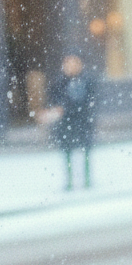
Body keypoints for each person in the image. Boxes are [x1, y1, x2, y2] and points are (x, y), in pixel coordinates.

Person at [42, 55, 97, 190]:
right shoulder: (58, 82)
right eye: (68, 64)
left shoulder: (86, 81)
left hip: (82, 123)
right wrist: (52, 111)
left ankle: (87, 179)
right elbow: (52, 100)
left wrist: (65, 108)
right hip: (65, 125)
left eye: (74, 63)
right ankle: (69, 181)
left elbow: (88, 102)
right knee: (67, 153)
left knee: (85, 153)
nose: (71, 67)